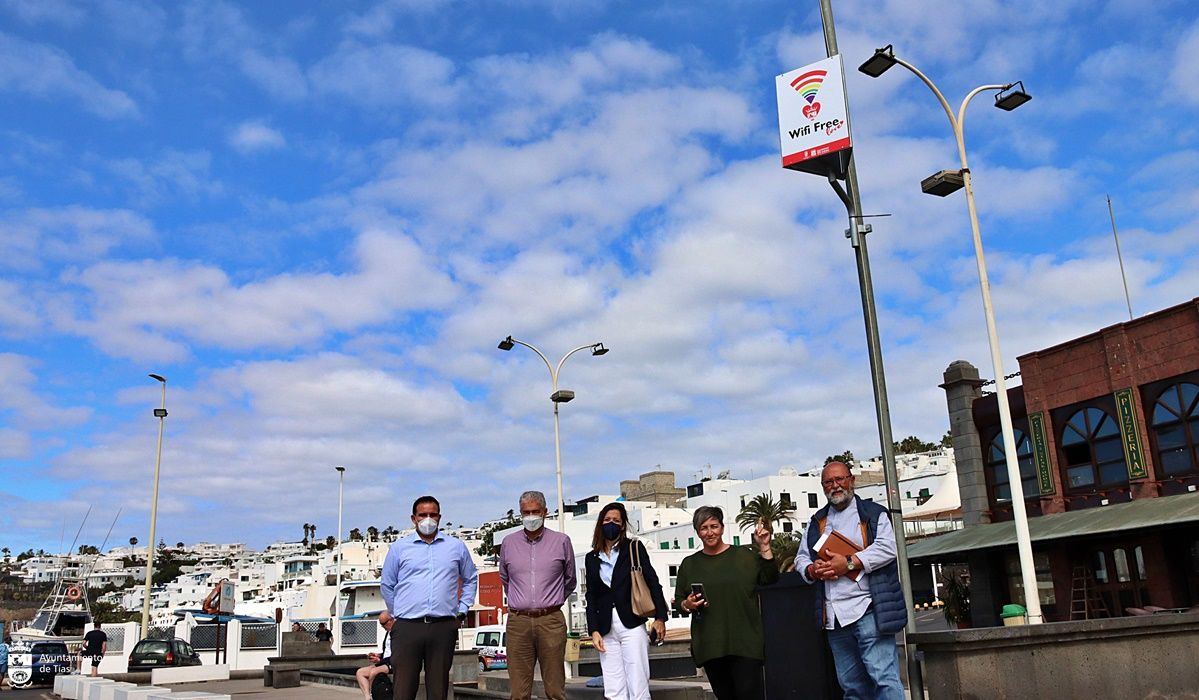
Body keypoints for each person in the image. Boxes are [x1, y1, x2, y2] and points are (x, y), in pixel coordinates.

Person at [796, 461, 905, 700]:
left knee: (884, 680)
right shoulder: (817, 521)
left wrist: (847, 562)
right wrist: (813, 570)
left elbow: (888, 548)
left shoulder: (873, 513)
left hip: (868, 609)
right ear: (823, 486)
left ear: (852, 480)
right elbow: (801, 559)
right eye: (828, 482)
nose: (835, 486)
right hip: (834, 617)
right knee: (852, 688)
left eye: (840, 479)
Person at [673, 506, 776, 700]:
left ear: (722, 528)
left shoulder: (744, 556)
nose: (710, 532)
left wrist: (765, 547)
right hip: (711, 645)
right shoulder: (689, 564)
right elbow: (679, 602)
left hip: (746, 643)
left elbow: (770, 578)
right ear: (697, 532)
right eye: (704, 528)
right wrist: (688, 604)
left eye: (714, 526)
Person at [381, 495, 478, 700]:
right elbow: (387, 584)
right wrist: (397, 615)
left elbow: (470, 579)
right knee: (403, 689)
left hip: (443, 626)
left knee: (439, 689)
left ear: (440, 517)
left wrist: (462, 611)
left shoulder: (456, 547)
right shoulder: (399, 548)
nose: (428, 519)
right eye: (423, 515)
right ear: (413, 518)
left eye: (432, 515)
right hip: (407, 626)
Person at [584, 502, 668, 700]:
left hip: (631, 621)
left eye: (616, 520)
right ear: (600, 523)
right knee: (613, 688)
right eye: (607, 520)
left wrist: (660, 617)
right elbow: (591, 595)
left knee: (638, 683)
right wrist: (593, 630)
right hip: (605, 628)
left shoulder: (634, 548)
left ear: (622, 525)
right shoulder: (591, 558)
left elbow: (652, 582)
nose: (611, 524)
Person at [498, 490, 576, 700]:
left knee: (555, 689)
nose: (530, 516)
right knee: (519, 691)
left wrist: (550, 601)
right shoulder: (508, 543)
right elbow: (505, 579)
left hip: (550, 619)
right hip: (518, 621)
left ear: (545, 512)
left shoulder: (561, 541)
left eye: (535, 511)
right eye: (526, 512)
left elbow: (570, 580)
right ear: (520, 514)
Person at [356, 612, 395, 700]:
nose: (382, 626)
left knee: (374, 672)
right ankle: (367, 696)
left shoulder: (397, 633)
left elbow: (396, 654)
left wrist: (380, 661)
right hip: (384, 661)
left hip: (393, 663)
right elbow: (387, 651)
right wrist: (378, 655)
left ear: (390, 621)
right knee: (360, 672)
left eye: (383, 624)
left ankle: (374, 695)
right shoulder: (387, 633)